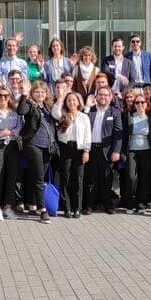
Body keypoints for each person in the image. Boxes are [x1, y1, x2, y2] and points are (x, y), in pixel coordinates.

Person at [15, 81, 56, 223]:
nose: (40, 94)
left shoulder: (48, 107)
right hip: (33, 144)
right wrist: (24, 94)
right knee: (39, 178)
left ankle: (31, 203)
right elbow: (21, 110)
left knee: (37, 176)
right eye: (37, 91)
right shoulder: (30, 105)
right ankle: (43, 210)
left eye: (43, 92)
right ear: (33, 93)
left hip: (47, 146)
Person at [84, 86, 124, 215]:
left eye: (106, 95)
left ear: (110, 97)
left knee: (106, 179)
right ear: (96, 97)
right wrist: (87, 106)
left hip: (107, 150)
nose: (103, 97)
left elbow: (118, 134)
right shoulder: (90, 111)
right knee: (91, 178)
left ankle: (107, 204)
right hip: (91, 149)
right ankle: (90, 205)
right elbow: (82, 124)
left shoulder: (115, 112)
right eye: (100, 94)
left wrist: (116, 151)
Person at [53, 90, 92, 218]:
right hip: (66, 148)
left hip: (80, 149)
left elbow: (87, 135)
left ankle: (77, 208)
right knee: (66, 178)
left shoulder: (84, 117)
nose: (71, 102)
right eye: (69, 100)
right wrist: (61, 97)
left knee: (78, 179)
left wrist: (86, 151)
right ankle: (67, 208)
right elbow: (54, 112)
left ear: (78, 102)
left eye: (74, 100)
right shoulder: (63, 115)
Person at [119, 93, 151, 214]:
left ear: (146, 104)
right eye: (137, 102)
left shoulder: (150, 117)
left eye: (142, 102)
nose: (140, 104)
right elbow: (124, 135)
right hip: (132, 151)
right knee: (131, 177)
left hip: (146, 151)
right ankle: (130, 204)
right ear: (134, 104)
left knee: (144, 178)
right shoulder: (129, 116)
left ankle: (141, 204)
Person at [0, 86, 23, 221]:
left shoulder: (14, 112)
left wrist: (8, 132)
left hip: (13, 145)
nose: (3, 98)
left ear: (9, 97)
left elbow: (19, 127)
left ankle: (8, 207)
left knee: (12, 175)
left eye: (6, 95)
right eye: (0, 95)